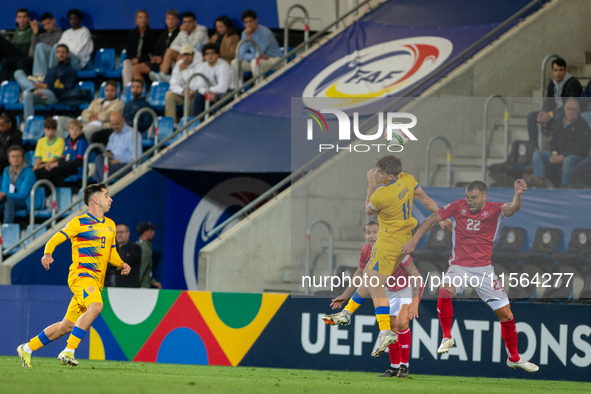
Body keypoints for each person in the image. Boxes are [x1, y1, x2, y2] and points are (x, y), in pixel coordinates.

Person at [401, 180, 539, 373]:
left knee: (506, 315)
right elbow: (433, 218)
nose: (469, 201)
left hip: (484, 271)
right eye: (467, 196)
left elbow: (514, 208)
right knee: (444, 291)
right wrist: (414, 240)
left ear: (484, 196)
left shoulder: (495, 209)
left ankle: (514, 358)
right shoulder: (458, 206)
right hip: (460, 266)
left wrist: (518, 194)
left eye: (473, 197)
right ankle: (447, 336)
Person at [322, 155, 440, 357]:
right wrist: (442, 217)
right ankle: (347, 313)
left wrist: (370, 185)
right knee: (368, 274)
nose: (376, 174)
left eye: (380, 172)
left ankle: (385, 330)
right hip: (402, 239)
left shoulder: (381, 195)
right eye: (376, 170)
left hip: (387, 243)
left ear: (391, 176)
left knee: (375, 284)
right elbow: (426, 199)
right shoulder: (407, 179)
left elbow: (368, 211)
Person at [16, 183, 131, 367]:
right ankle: (68, 351)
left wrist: (121, 263)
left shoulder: (110, 225)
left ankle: (27, 348)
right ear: (96, 200)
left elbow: (111, 253)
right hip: (81, 276)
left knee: (67, 326)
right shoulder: (79, 222)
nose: (111, 199)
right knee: (96, 306)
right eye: (107, 195)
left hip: (96, 281)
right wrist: (48, 253)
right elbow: (56, 237)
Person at [329, 221, 422, 378]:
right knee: (390, 328)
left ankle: (404, 366)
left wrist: (414, 301)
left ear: (383, 233)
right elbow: (359, 275)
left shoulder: (396, 248)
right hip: (386, 291)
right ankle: (393, 367)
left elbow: (416, 275)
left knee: (400, 323)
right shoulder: (366, 251)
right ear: (364, 235)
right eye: (368, 232)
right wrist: (345, 294)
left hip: (406, 289)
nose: (372, 236)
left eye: (375, 232)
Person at [526, 98, 590, 188]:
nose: (571, 112)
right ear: (564, 109)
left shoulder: (583, 125)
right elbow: (553, 142)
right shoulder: (559, 121)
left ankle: (565, 188)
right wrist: (554, 154)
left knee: (568, 160)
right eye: (569, 109)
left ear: (578, 110)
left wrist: (563, 156)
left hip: (575, 157)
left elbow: (582, 149)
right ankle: (539, 181)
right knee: (537, 154)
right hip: (558, 155)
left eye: (574, 109)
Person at [527, 58, 582, 145]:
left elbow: (570, 105)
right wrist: (543, 111)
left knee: (559, 116)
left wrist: (551, 114)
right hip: (553, 112)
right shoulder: (552, 83)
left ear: (565, 70)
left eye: (561, 70)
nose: (558, 73)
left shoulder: (573, 83)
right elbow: (548, 100)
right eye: (555, 70)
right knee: (531, 116)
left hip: (567, 112)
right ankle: (533, 147)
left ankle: (555, 146)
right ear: (552, 71)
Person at [14, 44, 77, 119]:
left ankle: (28, 121)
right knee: (18, 73)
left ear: (68, 55)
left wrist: (47, 86)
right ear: (56, 54)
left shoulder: (71, 71)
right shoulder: (52, 69)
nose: (61, 54)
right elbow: (46, 82)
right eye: (59, 52)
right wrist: (38, 87)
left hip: (53, 95)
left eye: (63, 52)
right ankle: (31, 88)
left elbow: (67, 91)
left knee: (26, 94)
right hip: (41, 91)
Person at [30, 9, 93, 77]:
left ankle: (52, 75)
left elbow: (80, 52)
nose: (73, 21)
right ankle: (39, 75)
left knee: (56, 47)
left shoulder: (84, 32)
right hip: (63, 57)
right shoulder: (66, 32)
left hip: (77, 62)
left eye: (75, 19)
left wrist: (64, 54)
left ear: (80, 20)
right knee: (40, 46)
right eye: (71, 19)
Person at [1, 12, 62, 81]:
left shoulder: (61, 34)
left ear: (53, 21)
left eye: (48, 23)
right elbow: (32, 51)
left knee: (23, 61)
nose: (46, 27)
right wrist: (35, 33)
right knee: (5, 61)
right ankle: (4, 84)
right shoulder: (41, 35)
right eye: (44, 25)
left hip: (48, 60)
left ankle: (35, 78)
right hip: (34, 58)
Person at [128, 9, 180, 89]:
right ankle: (142, 92)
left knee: (167, 56)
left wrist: (162, 58)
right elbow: (155, 50)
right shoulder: (163, 35)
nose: (170, 21)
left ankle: (162, 79)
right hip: (158, 63)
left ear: (177, 20)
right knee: (135, 68)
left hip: (171, 63)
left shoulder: (180, 34)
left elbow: (177, 50)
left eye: (173, 19)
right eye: (168, 18)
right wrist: (154, 58)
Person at [150, 12, 209, 82]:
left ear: (195, 22)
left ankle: (174, 78)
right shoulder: (183, 31)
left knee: (182, 55)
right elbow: (173, 45)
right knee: (169, 51)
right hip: (187, 56)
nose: (187, 24)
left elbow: (189, 49)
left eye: (189, 22)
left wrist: (183, 33)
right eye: (185, 22)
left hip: (197, 59)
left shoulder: (200, 32)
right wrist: (181, 51)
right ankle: (162, 75)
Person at [34, 119, 88, 187]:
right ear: (68, 130)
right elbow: (62, 159)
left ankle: (60, 192)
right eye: (72, 129)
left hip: (76, 168)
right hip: (65, 165)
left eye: (76, 129)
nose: (74, 132)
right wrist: (58, 164)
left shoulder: (82, 142)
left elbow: (79, 161)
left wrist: (58, 164)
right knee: (44, 172)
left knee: (54, 171)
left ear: (81, 131)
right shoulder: (67, 142)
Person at [94, 111, 142, 182]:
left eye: (116, 124)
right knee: (99, 158)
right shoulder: (113, 136)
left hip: (127, 165)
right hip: (112, 162)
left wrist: (118, 161)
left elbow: (137, 157)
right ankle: (105, 187)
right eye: (112, 124)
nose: (114, 127)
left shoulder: (133, 134)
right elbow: (108, 150)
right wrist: (108, 153)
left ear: (123, 120)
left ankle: (104, 188)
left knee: (99, 171)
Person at [232, 10, 282, 76]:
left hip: (274, 59)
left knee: (255, 62)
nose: (248, 24)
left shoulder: (265, 33)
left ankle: (259, 85)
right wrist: (255, 56)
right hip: (259, 59)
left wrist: (249, 38)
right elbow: (241, 54)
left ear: (256, 21)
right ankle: (240, 86)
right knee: (235, 62)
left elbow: (257, 54)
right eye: (246, 22)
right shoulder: (244, 33)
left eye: (250, 21)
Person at [191, 43, 234, 116]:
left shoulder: (223, 65)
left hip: (232, 91)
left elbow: (223, 88)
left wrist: (208, 90)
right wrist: (207, 93)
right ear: (204, 57)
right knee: (198, 96)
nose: (210, 56)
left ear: (217, 55)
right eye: (207, 54)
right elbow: (200, 86)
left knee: (219, 97)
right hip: (213, 91)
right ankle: (197, 124)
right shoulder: (202, 66)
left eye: (212, 53)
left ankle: (219, 122)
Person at [165, 44, 202, 123]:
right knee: (169, 95)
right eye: (184, 55)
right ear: (181, 56)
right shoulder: (179, 65)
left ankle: (187, 123)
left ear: (193, 55)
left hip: (194, 92)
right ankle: (172, 124)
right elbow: (173, 84)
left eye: (189, 55)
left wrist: (184, 71)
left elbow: (198, 82)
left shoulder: (199, 65)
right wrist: (182, 91)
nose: (187, 57)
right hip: (184, 92)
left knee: (191, 97)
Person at [121, 10, 157, 90]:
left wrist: (139, 59)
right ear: (136, 20)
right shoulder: (132, 33)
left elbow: (151, 52)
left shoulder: (152, 34)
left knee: (135, 67)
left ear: (147, 20)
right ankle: (127, 89)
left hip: (145, 60)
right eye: (140, 17)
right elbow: (128, 49)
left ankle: (140, 90)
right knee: (126, 62)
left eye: (145, 17)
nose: (143, 20)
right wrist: (132, 58)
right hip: (133, 60)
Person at [0, 145, 36, 223]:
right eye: (13, 156)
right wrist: (3, 194)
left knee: (9, 202)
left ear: (23, 158)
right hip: (10, 199)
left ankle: (7, 229)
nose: (15, 159)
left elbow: (23, 194)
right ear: (9, 159)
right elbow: (4, 189)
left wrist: (5, 195)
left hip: (27, 201)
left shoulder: (29, 172)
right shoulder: (6, 170)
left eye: (18, 156)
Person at [105, 224, 142, 288]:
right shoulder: (111, 249)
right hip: (109, 287)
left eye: (122, 232)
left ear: (128, 233)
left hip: (127, 288)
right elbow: (104, 264)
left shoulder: (135, 248)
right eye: (117, 232)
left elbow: (125, 262)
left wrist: (113, 264)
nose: (119, 234)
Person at [136, 221, 162, 289]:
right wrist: (134, 288)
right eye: (152, 231)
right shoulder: (145, 249)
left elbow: (146, 273)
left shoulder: (136, 245)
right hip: (142, 288)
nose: (154, 233)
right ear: (146, 233)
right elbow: (141, 270)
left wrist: (153, 282)